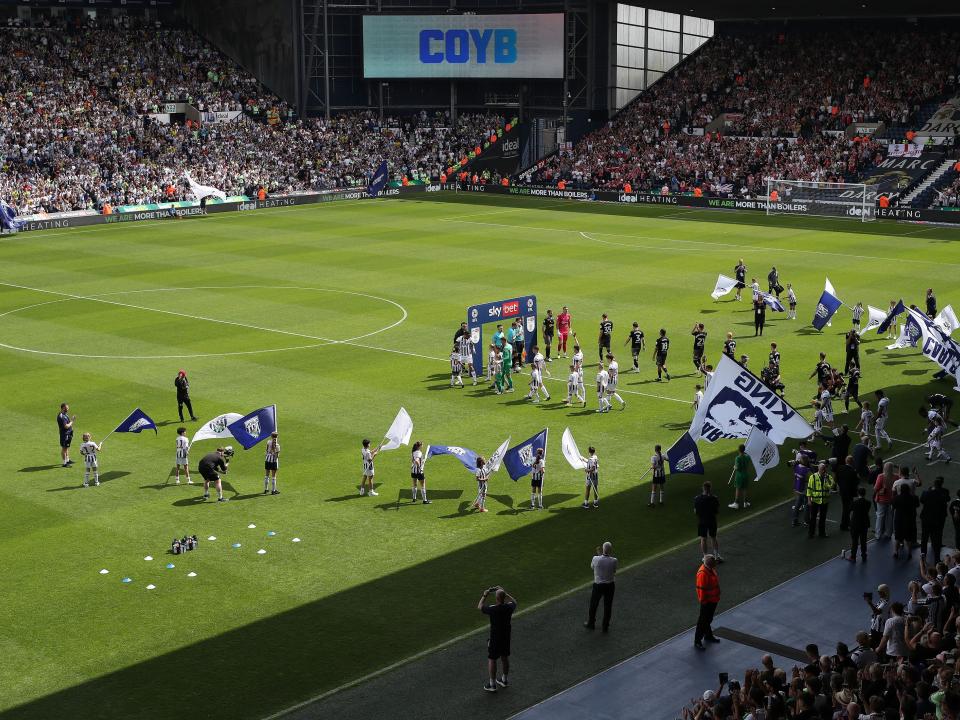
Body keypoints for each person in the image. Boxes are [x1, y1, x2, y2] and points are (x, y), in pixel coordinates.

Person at [478, 586, 516, 692]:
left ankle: (492, 684)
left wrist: (485, 595)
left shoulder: (492, 609)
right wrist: (505, 592)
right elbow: (514, 602)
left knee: (492, 659)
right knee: (505, 657)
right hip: (506, 636)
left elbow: (480, 606)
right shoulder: (509, 607)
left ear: (496, 598)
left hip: (495, 638)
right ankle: (504, 680)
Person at [584, 542, 617, 632]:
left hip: (598, 586)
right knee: (608, 606)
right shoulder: (614, 560)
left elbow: (593, 567)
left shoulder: (595, 558)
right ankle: (605, 626)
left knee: (593, 605)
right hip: (610, 586)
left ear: (603, 549)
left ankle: (591, 623)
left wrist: (599, 555)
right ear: (611, 550)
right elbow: (613, 571)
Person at [694, 554, 721, 650]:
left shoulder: (709, 569)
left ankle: (708, 635)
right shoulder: (703, 573)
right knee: (703, 621)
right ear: (711, 564)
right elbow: (701, 589)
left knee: (708, 619)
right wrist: (704, 601)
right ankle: (697, 641)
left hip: (713, 600)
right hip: (707, 601)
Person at [920, 476, 950, 562]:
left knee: (924, 538)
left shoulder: (926, 492)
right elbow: (947, 500)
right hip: (937, 520)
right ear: (941, 484)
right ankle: (937, 559)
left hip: (926, 519)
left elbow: (922, 500)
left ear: (934, 484)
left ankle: (923, 557)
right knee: (936, 539)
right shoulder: (943, 494)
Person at [806, 461, 835, 538]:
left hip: (824, 501)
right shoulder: (813, 477)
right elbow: (809, 489)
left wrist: (827, 480)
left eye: (824, 469)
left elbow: (832, 485)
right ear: (818, 469)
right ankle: (811, 533)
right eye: (822, 469)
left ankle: (822, 533)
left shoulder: (828, 477)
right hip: (815, 501)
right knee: (813, 518)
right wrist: (809, 500)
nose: (824, 471)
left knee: (823, 518)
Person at [694, 481, 721, 560]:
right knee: (713, 537)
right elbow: (716, 511)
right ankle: (716, 555)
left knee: (703, 538)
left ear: (703, 488)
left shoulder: (697, 499)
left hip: (702, 521)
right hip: (712, 520)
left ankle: (705, 556)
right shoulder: (714, 498)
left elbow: (695, 511)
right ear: (710, 488)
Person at [892, 483, 919, 560]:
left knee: (898, 537)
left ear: (900, 490)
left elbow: (893, 507)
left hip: (899, 519)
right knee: (909, 538)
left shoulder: (896, 498)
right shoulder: (914, 498)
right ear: (909, 490)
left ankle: (896, 552)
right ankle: (909, 553)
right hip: (909, 520)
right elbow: (917, 505)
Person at [845, 486, 871, 563]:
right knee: (863, 540)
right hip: (864, 524)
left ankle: (853, 557)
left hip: (855, 524)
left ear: (858, 493)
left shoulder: (854, 503)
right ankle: (864, 555)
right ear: (865, 493)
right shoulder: (868, 503)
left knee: (854, 541)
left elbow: (849, 510)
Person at [836, 455, 859, 533]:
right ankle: (844, 525)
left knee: (845, 508)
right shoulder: (853, 471)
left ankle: (846, 523)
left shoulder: (840, 468)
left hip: (842, 491)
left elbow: (837, 479)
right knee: (847, 509)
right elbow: (856, 482)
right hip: (849, 493)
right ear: (852, 462)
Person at [874, 462, 895, 540]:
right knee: (889, 517)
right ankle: (888, 533)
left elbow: (876, 488)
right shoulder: (896, 477)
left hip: (881, 500)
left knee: (880, 516)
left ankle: (878, 534)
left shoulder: (881, 476)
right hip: (891, 500)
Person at [729, 444, 752, 509]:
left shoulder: (738, 458)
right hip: (746, 474)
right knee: (745, 489)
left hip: (739, 475)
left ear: (738, 450)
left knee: (738, 489)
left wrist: (734, 467)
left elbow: (737, 468)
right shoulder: (747, 457)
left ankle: (736, 503)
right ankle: (745, 503)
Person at [791, 455, 812, 527]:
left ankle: (794, 520)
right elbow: (811, 479)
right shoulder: (807, 470)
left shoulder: (796, 467)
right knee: (806, 506)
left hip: (797, 489)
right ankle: (806, 521)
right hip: (804, 490)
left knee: (797, 505)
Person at [57, 402, 75, 467]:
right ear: (62, 408)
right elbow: (66, 426)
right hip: (64, 434)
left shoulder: (65, 414)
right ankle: (64, 463)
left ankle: (67, 460)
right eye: (66, 408)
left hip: (68, 433)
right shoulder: (61, 416)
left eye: (68, 408)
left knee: (66, 447)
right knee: (64, 448)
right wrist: (72, 421)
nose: (67, 409)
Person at [263, 431, 280, 495]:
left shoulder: (268, 442)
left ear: (271, 436)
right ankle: (273, 490)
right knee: (273, 476)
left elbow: (266, 450)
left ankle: (266, 489)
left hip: (267, 459)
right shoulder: (277, 445)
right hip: (273, 461)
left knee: (266, 475)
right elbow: (277, 456)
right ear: (277, 437)